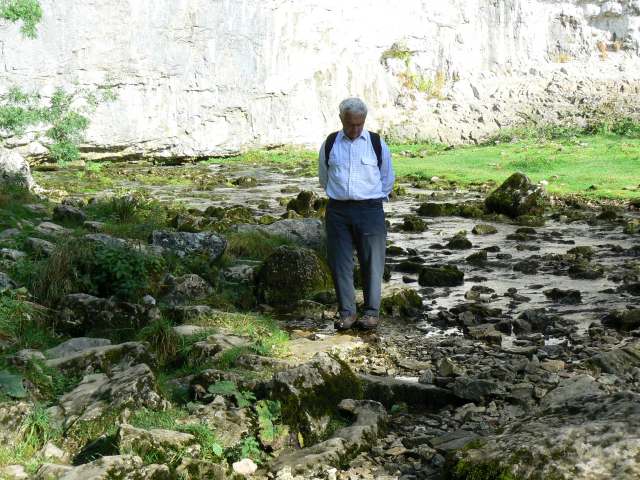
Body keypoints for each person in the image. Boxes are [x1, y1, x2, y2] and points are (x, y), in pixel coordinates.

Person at [318, 97, 395, 331]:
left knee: (372, 262)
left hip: (370, 209)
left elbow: (387, 178)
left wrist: (371, 198)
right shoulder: (330, 143)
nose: (355, 129)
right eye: (350, 124)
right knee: (340, 263)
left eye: (359, 124)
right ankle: (347, 314)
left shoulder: (376, 143)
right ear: (341, 119)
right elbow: (324, 177)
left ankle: (371, 313)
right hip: (338, 210)